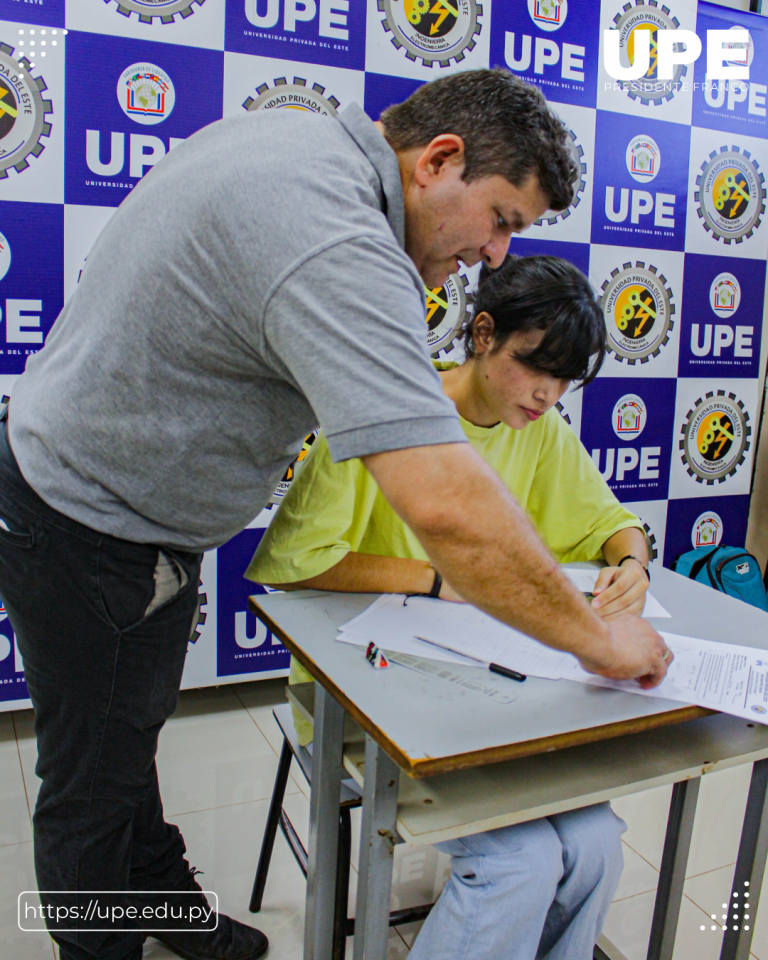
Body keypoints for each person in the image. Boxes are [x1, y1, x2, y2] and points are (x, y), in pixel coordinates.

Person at [0, 69, 668, 960]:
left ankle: (168, 912)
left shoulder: (303, 148)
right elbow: (446, 504)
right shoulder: (341, 242)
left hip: (120, 516)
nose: (497, 254)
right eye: (502, 219)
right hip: (90, 522)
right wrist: (597, 640)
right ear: (438, 161)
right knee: (88, 788)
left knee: (123, 745)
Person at [246, 254, 653, 959]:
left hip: (488, 697)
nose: (548, 394)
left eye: (565, 380)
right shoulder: (388, 415)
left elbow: (606, 520)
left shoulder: (538, 430)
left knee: (594, 850)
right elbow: (294, 562)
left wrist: (632, 561)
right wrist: (441, 579)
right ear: (484, 333)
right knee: (514, 865)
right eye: (536, 367)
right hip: (363, 698)